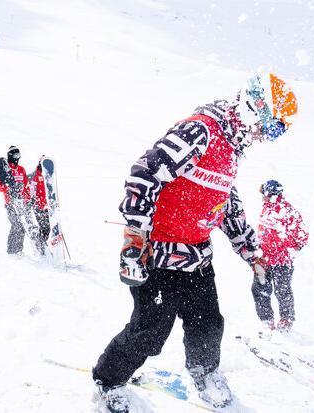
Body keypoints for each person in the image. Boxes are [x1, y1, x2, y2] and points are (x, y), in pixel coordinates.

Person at [91, 73, 298, 412]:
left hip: (197, 255)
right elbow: (144, 173)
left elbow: (226, 206)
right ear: (255, 107)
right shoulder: (201, 130)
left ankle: (204, 372)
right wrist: (134, 237)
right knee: (150, 331)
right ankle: (108, 379)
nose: (268, 137)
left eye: (278, 132)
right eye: (272, 127)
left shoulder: (233, 149)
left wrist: (252, 252)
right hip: (157, 253)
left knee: (208, 322)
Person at [252, 179, 308, 333]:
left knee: (282, 291)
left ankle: (287, 319)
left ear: (269, 194)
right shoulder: (266, 208)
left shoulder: (288, 211)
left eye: (263, 193)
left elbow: (302, 235)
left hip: (282, 261)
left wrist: (290, 249)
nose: (262, 196)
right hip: (263, 260)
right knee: (259, 289)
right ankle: (267, 320)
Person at [0, 146, 33, 255]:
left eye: (19, 155)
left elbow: (25, 186)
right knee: (16, 225)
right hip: (10, 204)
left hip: (22, 203)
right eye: (16, 155)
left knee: (23, 226)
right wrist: (7, 188)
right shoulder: (5, 170)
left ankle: (18, 250)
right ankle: (11, 251)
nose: (17, 158)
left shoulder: (21, 169)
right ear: (11, 156)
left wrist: (27, 200)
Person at [30, 158, 50, 254]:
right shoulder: (36, 176)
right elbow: (32, 191)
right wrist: (34, 201)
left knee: (47, 228)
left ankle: (42, 244)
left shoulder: (48, 177)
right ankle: (41, 247)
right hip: (38, 207)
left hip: (47, 207)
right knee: (43, 227)